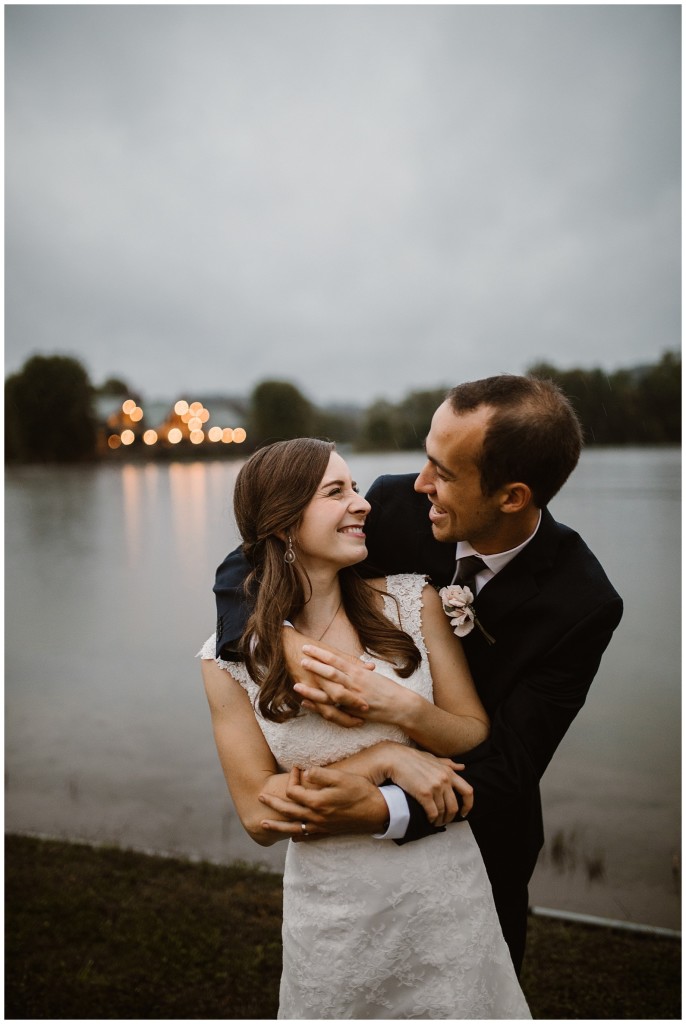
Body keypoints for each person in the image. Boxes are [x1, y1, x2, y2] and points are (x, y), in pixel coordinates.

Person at [213, 375, 624, 975]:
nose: (421, 482)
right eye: (426, 458)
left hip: (483, 848)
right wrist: (280, 640)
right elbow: (256, 555)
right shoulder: (398, 508)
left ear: (512, 496)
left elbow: (511, 764)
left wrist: (380, 805)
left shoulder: (582, 603)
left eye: (445, 473)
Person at [200, 437, 531, 1019]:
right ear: (283, 524)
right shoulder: (225, 660)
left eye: (354, 487)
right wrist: (383, 759)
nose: (363, 503)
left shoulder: (413, 602)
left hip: (443, 891)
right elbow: (258, 815)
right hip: (331, 913)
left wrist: (398, 713)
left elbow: (472, 733)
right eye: (337, 492)